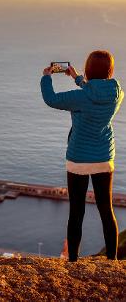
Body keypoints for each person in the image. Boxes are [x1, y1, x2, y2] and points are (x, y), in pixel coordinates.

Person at [41, 50, 123, 262]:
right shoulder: (117, 93)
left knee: (76, 212)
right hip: (104, 158)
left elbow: (51, 99)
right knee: (107, 210)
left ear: (88, 70)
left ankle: (73, 261)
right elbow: (96, 92)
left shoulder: (79, 97)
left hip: (78, 159)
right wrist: (77, 78)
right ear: (110, 71)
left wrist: (46, 77)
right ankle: (112, 260)